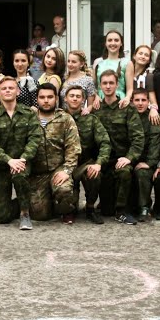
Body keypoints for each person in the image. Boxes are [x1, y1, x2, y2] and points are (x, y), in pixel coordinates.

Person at [0, 77, 40, 229]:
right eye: (4, 89)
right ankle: (22, 199)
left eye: (11, 88)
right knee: (2, 217)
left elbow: (34, 139)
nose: (7, 90)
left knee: (19, 176)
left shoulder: (29, 114)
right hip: (1, 166)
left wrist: (22, 159)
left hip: (22, 164)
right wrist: (9, 160)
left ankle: (25, 213)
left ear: (18, 91)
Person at [93, 69, 145, 225]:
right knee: (105, 211)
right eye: (104, 83)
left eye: (111, 83)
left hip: (120, 158)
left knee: (124, 172)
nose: (108, 86)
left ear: (117, 85)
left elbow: (138, 137)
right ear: (100, 86)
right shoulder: (96, 109)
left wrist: (129, 158)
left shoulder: (126, 108)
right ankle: (96, 205)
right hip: (102, 159)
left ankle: (122, 211)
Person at [29, 83, 80, 225]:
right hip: (37, 173)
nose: (46, 100)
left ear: (56, 98)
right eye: (42, 97)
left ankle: (67, 209)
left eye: (50, 97)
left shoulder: (65, 119)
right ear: (37, 99)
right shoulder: (29, 118)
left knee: (63, 189)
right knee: (39, 215)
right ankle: (49, 199)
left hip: (58, 169)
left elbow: (73, 149)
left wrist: (66, 171)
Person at [67, 86, 110, 224]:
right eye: (71, 95)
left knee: (94, 174)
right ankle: (69, 209)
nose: (74, 98)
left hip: (85, 163)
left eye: (78, 96)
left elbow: (105, 142)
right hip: (65, 164)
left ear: (84, 100)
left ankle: (90, 208)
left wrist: (98, 163)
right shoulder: (59, 118)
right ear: (65, 99)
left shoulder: (91, 120)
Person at [128, 90, 160, 221]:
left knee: (142, 172)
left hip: (147, 160)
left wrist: (149, 163)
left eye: (143, 100)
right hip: (130, 158)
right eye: (137, 100)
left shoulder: (152, 118)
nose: (140, 103)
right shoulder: (128, 116)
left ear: (148, 102)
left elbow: (155, 143)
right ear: (132, 102)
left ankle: (144, 207)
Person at [93, 30, 128, 100]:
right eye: (110, 40)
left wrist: (126, 99)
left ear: (121, 43)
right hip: (100, 101)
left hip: (119, 100)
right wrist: (96, 96)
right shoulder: (98, 62)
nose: (113, 43)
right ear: (105, 43)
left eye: (116, 40)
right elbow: (93, 86)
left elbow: (130, 89)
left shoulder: (126, 63)